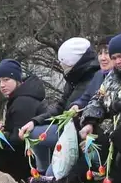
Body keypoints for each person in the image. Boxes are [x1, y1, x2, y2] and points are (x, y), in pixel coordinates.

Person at [18, 37, 103, 173]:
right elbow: (60, 106)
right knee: (33, 132)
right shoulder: (74, 79)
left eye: (64, 64)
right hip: (66, 129)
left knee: (55, 173)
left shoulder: (92, 79)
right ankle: (42, 170)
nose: (62, 67)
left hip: (77, 133)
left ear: (74, 63)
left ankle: (53, 170)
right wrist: (35, 121)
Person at [76, 34, 121, 183]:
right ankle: (115, 177)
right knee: (96, 132)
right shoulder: (111, 76)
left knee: (114, 132)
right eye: (114, 57)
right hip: (113, 122)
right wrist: (90, 120)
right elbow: (97, 98)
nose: (117, 61)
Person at [0, 59, 46, 183]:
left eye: (6, 80)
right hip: (37, 152)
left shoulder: (22, 101)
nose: (2, 85)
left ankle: (28, 177)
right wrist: (4, 129)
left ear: (17, 79)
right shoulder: (20, 97)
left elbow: (20, 137)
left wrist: (1, 135)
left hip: (36, 155)